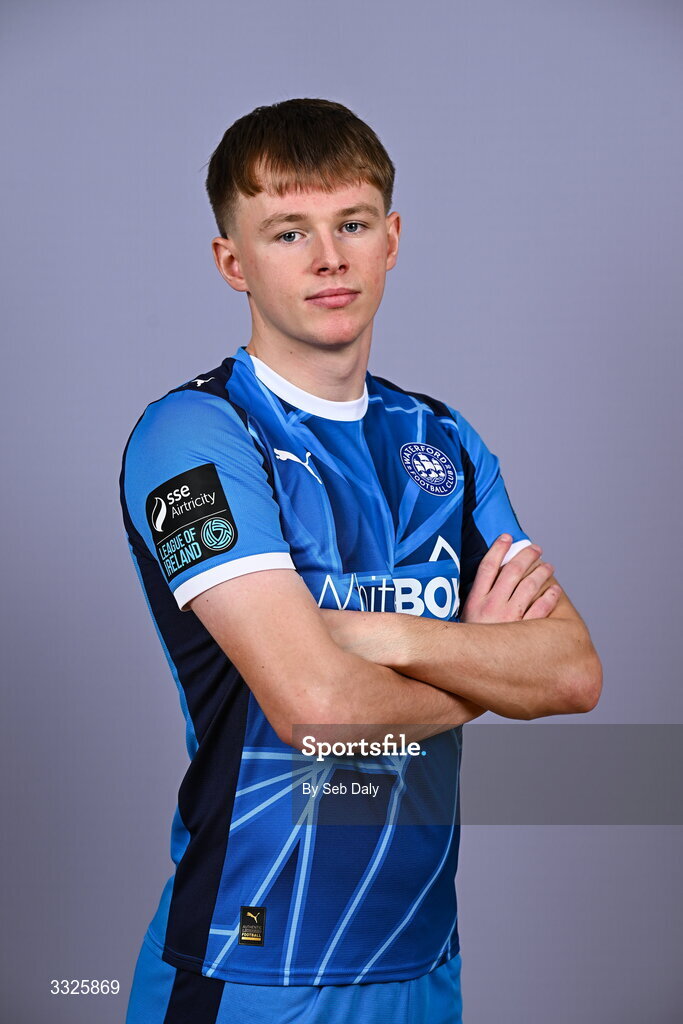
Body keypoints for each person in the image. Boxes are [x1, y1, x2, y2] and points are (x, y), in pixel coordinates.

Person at [120, 97, 602, 1024]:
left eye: (350, 223)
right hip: (253, 966)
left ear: (391, 237)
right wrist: (486, 666)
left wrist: (358, 631)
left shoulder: (444, 442)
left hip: (423, 958)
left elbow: (573, 673)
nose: (328, 257)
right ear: (233, 262)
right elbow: (319, 711)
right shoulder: (194, 435)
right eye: (287, 231)